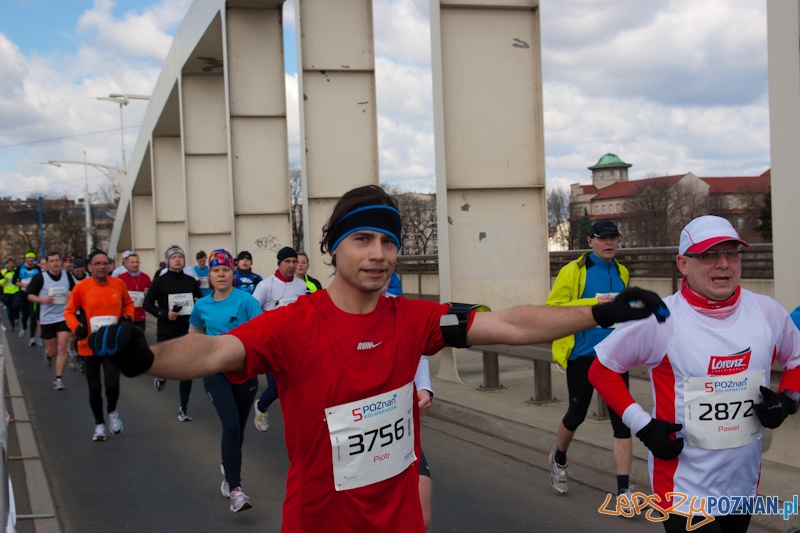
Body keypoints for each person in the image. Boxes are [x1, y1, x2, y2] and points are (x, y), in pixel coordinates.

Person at [89, 185, 666, 532]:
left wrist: (603, 311)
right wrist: (147, 359)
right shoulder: (294, 323)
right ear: (333, 247)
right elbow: (215, 348)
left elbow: (513, 323)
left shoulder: (415, 318)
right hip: (319, 522)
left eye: (389, 242)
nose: (379, 254)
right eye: (363, 239)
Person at [589, 215, 800, 533]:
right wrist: (644, 426)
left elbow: (796, 361)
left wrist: (787, 400)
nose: (724, 265)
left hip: (741, 484)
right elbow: (601, 369)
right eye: (709, 255)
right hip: (682, 487)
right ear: (683, 264)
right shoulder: (662, 318)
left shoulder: (767, 312)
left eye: (731, 253)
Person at [545, 219, 634, 498]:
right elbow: (553, 309)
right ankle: (559, 457)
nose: (609, 243)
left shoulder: (622, 272)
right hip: (583, 356)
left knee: (623, 419)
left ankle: (623, 490)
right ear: (590, 241)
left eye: (614, 238)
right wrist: (593, 304)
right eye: (603, 238)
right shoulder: (574, 271)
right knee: (576, 415)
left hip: (616, 359)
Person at [188, 249, 262, 513]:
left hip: (245, 373)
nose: (221, 274)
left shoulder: (247, 301)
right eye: (216, 270)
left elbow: (261, 333)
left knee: (238, 430)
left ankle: (228, 467)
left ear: (233, 273)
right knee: (230, 426)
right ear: (209, 275)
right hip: (215, 372)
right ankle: (236, 490)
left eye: (225, 270)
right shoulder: (202, 304)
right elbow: (194, 331)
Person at [64, 250, 134, 441]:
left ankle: (112, 411)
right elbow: (69, 311)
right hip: (89, 345)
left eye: (106, 263)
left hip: (112, 343)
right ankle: (99, 424)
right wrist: (77, 327)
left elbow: (128, 304)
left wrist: (128, 318)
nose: (103, 267)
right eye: (98, 263)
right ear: (90, 267)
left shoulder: (118, 284)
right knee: (94, 388)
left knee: (112, 383)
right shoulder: (82, 288)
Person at [251, 247, 308, 432]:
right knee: (276, 389)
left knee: (297, 387)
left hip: (295, 344)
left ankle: (297, 424)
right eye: (287, 262)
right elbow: (252, 312)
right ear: (279, 263)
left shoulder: (300, 285)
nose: (291, 266)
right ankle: (261, 406)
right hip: (273, 346)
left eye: (294, 262)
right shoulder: (266, 286)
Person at [144, 246, 203, 421]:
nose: (177, 260)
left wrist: (198, 302)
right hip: (166, 328)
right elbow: (147, 305)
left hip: (186, 329)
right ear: (168, 261)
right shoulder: (160, 281)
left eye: (180, 257)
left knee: (187, 370)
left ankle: (183, 407)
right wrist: (164, 314)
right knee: (163, 362)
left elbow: (200, 300)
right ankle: (161, 374)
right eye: (173, 257)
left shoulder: (191, 281)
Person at [26, 252, 76, 390]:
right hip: (47, 319)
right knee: (52, 351)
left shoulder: (67, 276)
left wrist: (71, 295)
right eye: (52, 261)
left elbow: (74, 292)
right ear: (47, 264)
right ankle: (47, 356)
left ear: (61, 262)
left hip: (63, 317)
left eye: (57, 260)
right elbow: (29, 295)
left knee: (62, 346)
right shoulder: (40, 278)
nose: (55, 263)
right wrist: (43, 300)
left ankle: (58, 379)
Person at [13, 252, 42, 346]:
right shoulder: (20, 268)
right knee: (24, 315)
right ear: (25, 259)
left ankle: (32, 338)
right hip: (23, 294)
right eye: (29, 258)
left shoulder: (37, 269)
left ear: (34, 259)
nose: (30, 259)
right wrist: (23, 285)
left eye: (32, 258)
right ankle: (24, 327)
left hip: (33, 295)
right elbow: (14, 281)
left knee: (33, 315)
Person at [117, 253, 152, 332]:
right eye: (132, 262)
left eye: (137, 262)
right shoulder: (121, 278)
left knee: (139, 342)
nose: (135, 264)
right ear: (127, 264)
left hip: (140, 316)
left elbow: (151, 298)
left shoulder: (146, 278)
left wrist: (147, 295)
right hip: (126, 316)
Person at [1, 258, 20, 332]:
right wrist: (3, 280)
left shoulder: (16, 271)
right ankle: (12, 323)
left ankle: (16, 318)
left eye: (12, 263)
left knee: (16, 305)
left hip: (16, 291)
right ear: (7, 264)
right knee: (9, 309)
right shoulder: (3, 272)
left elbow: (20, 279)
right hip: (7, 292)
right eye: (9, 263)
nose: (11, 264)